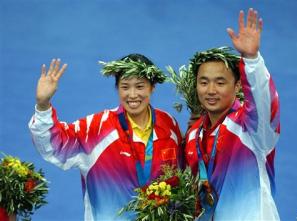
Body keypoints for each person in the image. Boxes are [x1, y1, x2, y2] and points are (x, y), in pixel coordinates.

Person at [28, 54, 183, 221]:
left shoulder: (169, 125)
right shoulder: (96, 128)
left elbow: (183, 177)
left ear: (152, 87)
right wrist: (43, 106)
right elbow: (54, 145)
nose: (132, 95)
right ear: (117, 88)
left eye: (140, 86)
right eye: (125, 87)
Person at [184, 8, 280, 220]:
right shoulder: (193, 136)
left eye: (220, 82)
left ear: (237, 86)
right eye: (203, 82)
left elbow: (264, 104)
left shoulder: (250, 127)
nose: (210, 90)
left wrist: (252, 60)